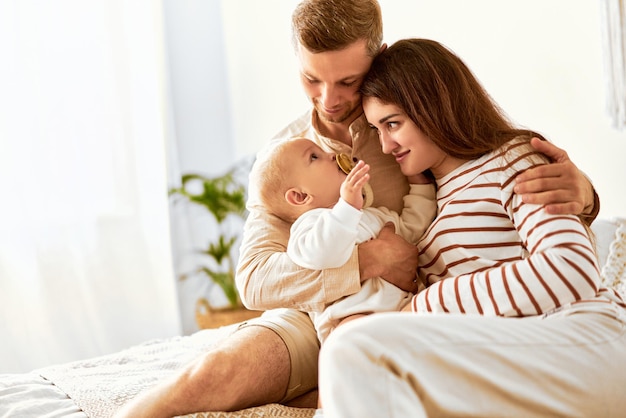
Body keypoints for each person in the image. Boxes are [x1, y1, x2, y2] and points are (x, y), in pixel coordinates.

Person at [114, 1, 600, 416]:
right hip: (329, 306)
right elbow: (256, 278)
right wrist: (364, 263)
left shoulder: (412, 129)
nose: (329, 100)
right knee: (220, 371)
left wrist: (583, 193)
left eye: (347, 81)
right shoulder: (286, 154)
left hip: (410, 308)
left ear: (379, 58)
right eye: (311, 80)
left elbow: (485, 164)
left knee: (360, 366)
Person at [317, 38, 626, 418]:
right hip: (509, 357)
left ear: (433, 106)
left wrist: (422, 305)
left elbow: (571, 271)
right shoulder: (425, 209)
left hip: (587, 339)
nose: (384, 146)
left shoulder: (513, 158)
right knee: (354, 359)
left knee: (352, 348)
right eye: (377, 129)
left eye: (393, 124)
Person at [253, 137, 436, 343]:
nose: (332, 155)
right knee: (351, 336)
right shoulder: (308, 227)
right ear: (300, 196)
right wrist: (347, 207)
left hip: (401, 311)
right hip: (351, 318)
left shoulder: (373, 216)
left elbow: (412, 228)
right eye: (314, 157)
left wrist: (420, 186)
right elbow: (324, 254)